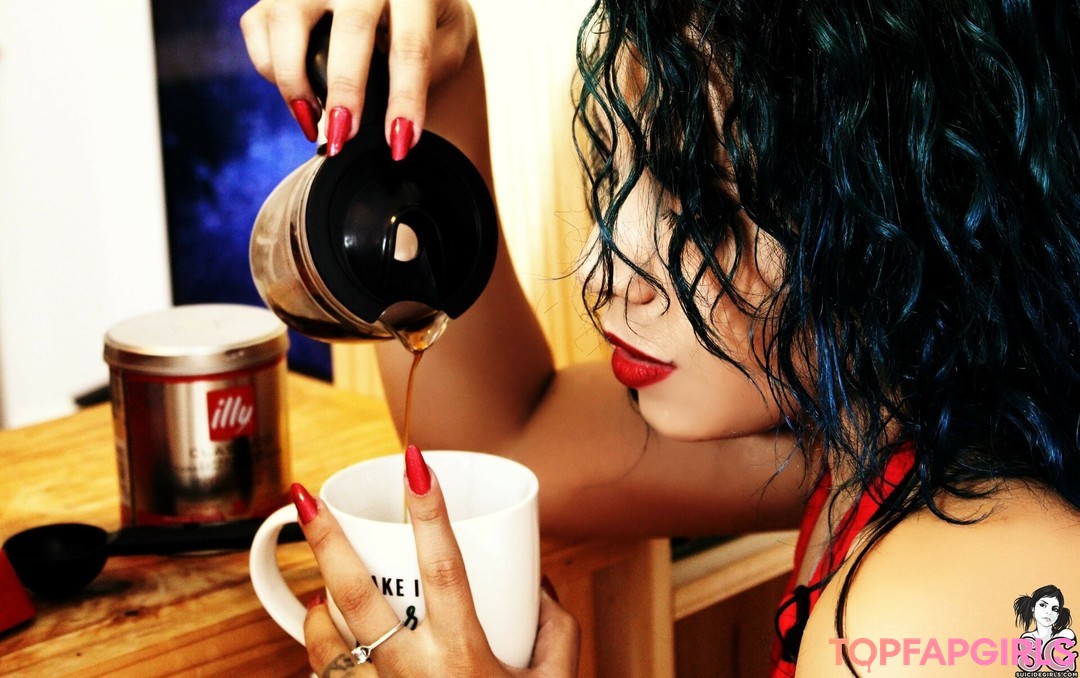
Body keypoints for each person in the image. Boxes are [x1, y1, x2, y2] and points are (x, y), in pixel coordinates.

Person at [240, 0, 1080, 675]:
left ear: (921, 191)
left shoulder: (931, 610)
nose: (604, 272)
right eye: (615, 170)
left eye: (702, 201)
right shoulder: (877, 432)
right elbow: (501, 434)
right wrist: (432, 76)